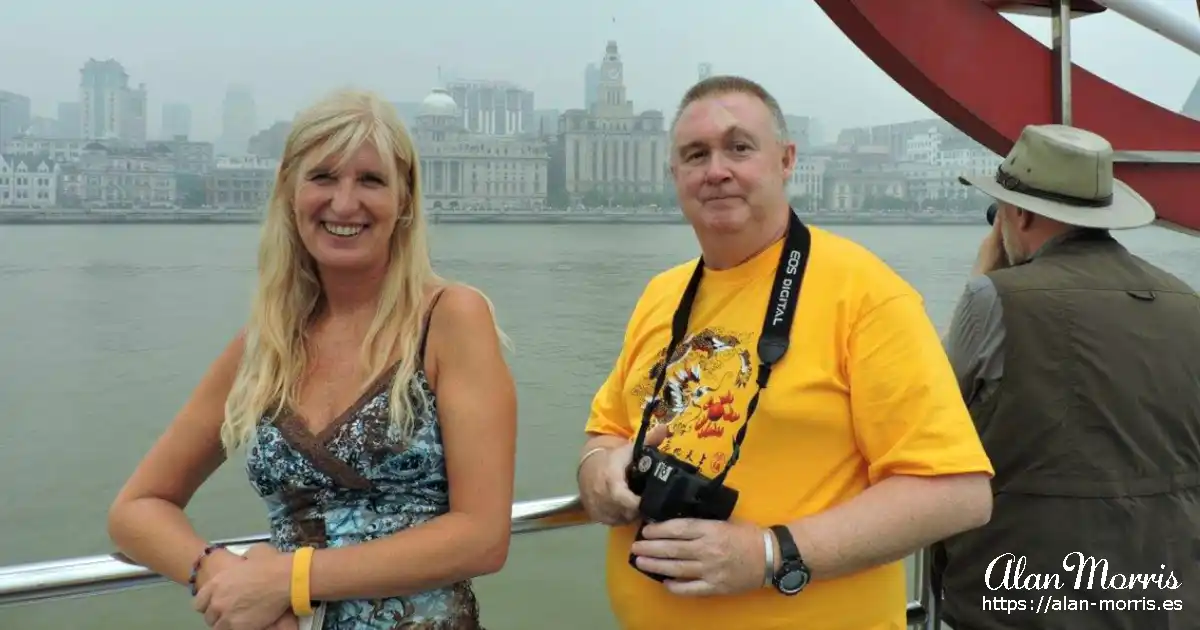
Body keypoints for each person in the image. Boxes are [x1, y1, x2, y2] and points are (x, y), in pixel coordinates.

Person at [575, 74, 996, 630]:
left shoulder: (865, 293)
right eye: (695, 154)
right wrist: (599, 472)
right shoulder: (662, 294)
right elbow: (606, 431)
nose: (716, 169)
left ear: (786, 160)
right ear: (674, 175)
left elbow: (956, 493)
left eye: (739, 147)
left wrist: (769, 554)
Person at [107, 89, 517, 630]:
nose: (344, 204)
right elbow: (137, 508)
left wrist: (288, 579)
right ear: (289, 194)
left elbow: (482, 537)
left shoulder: (449, 319)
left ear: (405, 202)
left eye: (370, 180)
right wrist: (219, 573)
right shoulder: (264, 347)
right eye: (323, 177)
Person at [935, 124, 1200, 630]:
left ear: (1020, 213)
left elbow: (935, 413)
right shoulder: (1186, 302)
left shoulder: (995, 298)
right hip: (1163, 596)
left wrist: (983, 275)